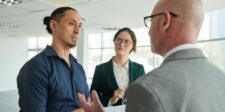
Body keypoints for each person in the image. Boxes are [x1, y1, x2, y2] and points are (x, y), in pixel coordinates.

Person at [77, 0, 225, 112]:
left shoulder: (145, 87)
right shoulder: (220, 78)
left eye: (150, 20)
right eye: (118, 40)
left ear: (165, 21)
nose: (148, 32)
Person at [17, 7, 89, 112]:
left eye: (80, 25)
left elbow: (88, 105)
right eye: (71, 24)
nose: (77, 31)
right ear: (54, 25)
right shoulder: (36, 67)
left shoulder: (78, 68)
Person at [90, 27, 145, 107]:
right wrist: (110, 100)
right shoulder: (100, 69)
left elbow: (143, 96)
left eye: (126, 41)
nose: (121, 44)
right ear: (114, 43)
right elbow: (92, 97)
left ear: (133, 46)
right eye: (118, 40)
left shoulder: (139, 69)